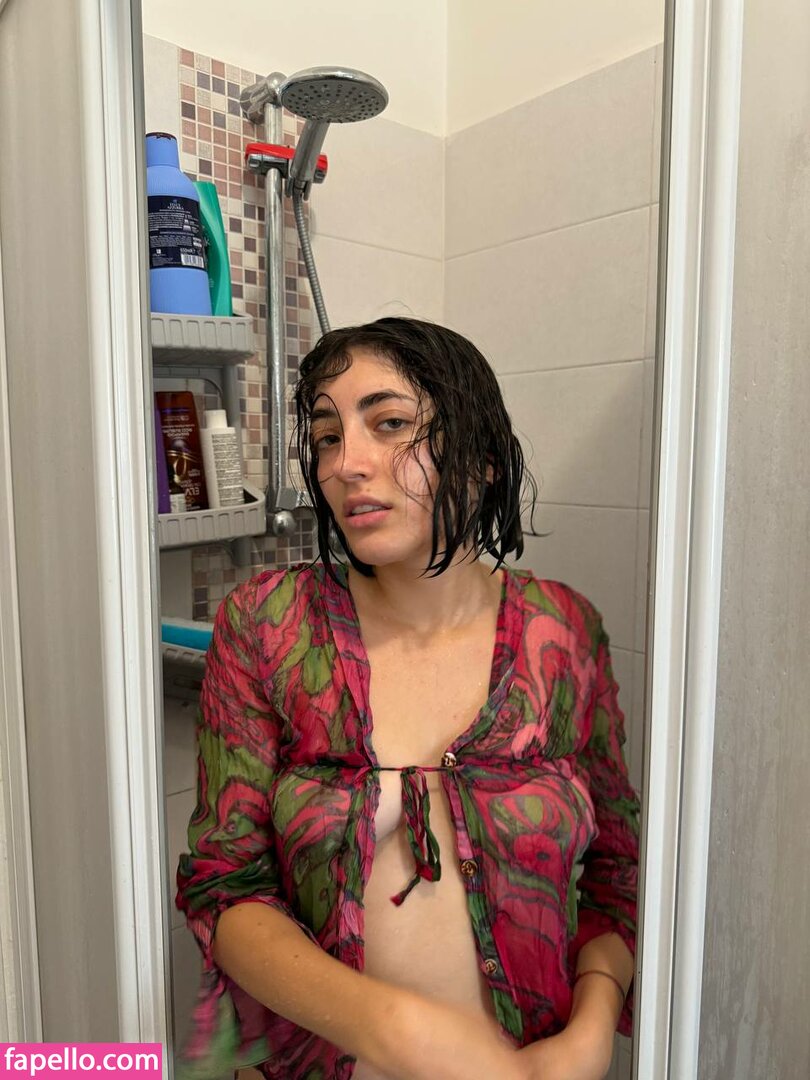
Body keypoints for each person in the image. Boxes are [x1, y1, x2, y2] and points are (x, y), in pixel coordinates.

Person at [175, 317, 640, 1080]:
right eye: (327, 437)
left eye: (389, 424)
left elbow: (617, 870)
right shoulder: (269, 625)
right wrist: (392, 1028)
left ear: (482, 458)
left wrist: (591, 1030)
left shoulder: (563, 633)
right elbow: (226, 885)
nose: (347, 464)